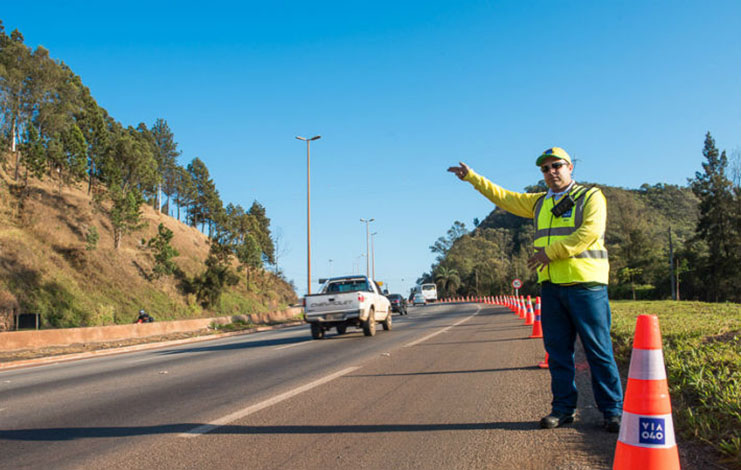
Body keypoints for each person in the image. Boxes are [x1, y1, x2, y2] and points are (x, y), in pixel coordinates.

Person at [447, 147, 623, 432]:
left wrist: (550, 253)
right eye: (545, 169)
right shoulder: (539, 203)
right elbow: (504, 197)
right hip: (552, 286)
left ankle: (612, 411)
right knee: (557, 352)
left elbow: (588, 232)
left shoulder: (590, 197)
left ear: (570, 167)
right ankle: (563, 409)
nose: (551, 172)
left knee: (598, 350)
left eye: (557, 166)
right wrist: (472, 178)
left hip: (586, 285)